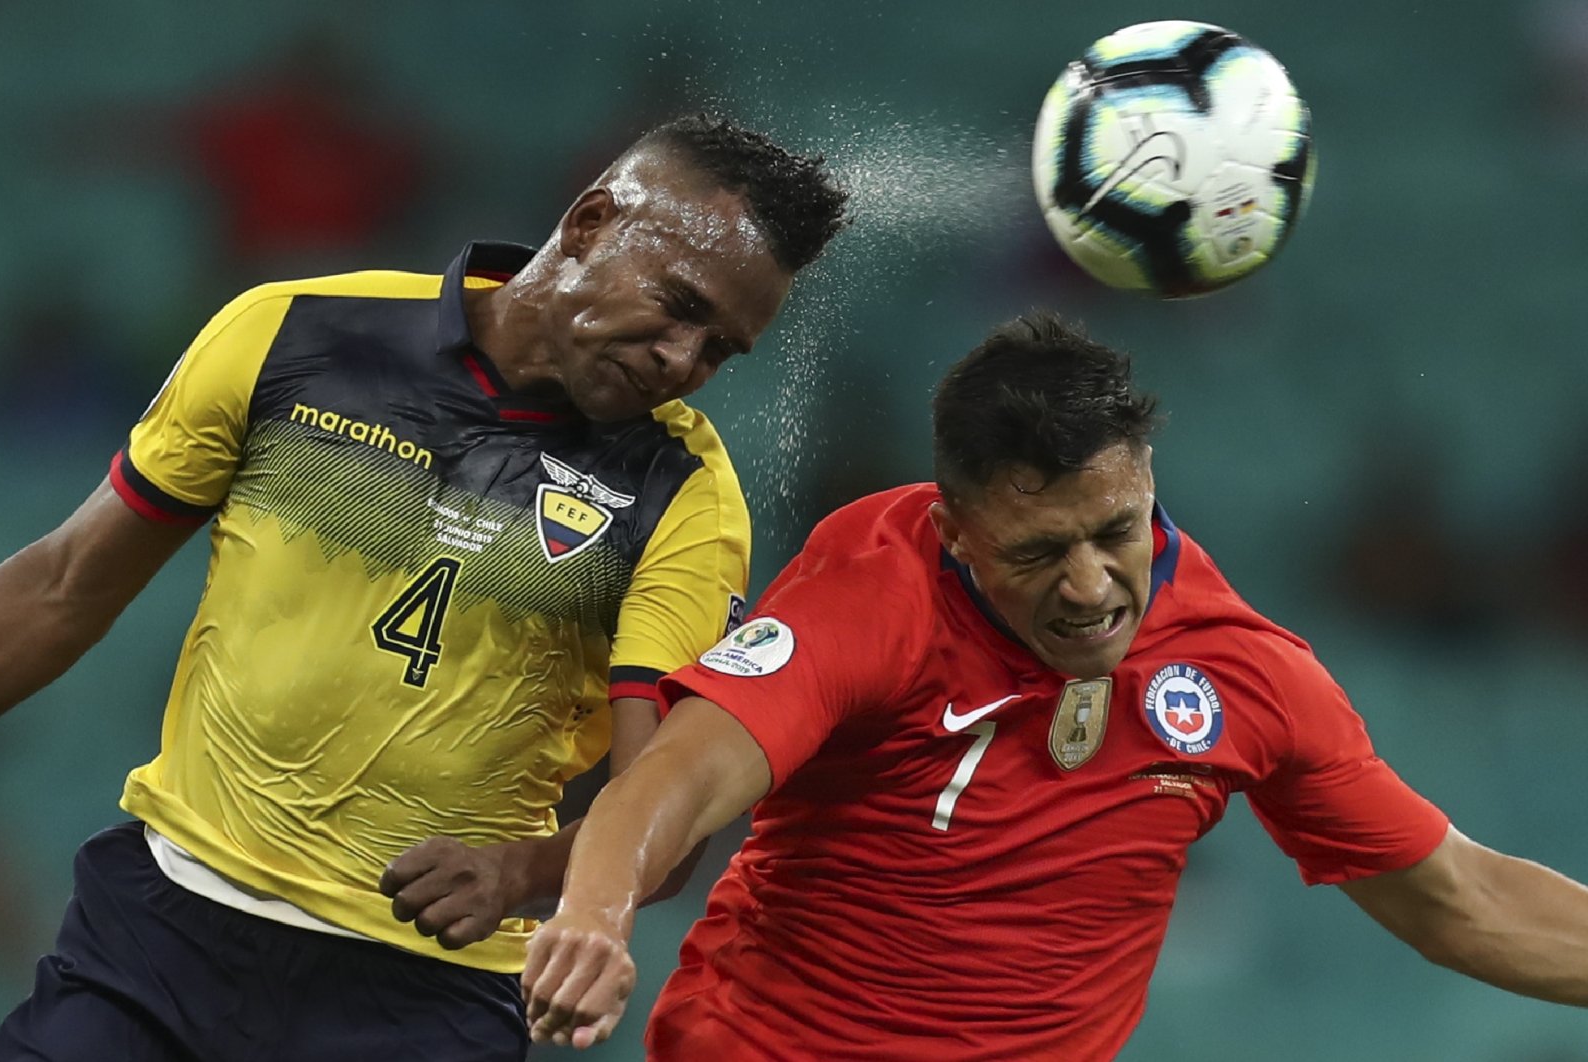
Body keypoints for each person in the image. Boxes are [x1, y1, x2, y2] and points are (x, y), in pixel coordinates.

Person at [0, 113, 848, 1062]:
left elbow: (662, 813)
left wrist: (522, 872)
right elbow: (63, 586)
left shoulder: (682, 493)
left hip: (424, 998)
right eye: (677, 305)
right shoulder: (294, 332)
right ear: (595, 221)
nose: (682, 361)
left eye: (720, 347)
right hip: (155, 939)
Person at [520, 311, 1588, 1059]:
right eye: (1036, 552)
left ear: (1148, 488)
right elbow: (680, 775)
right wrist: (596, 917)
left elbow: (1465, 899)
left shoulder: (1244, 671)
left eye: (1115, 532)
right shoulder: (874, 592)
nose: (1089, 587)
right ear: (957, 531)